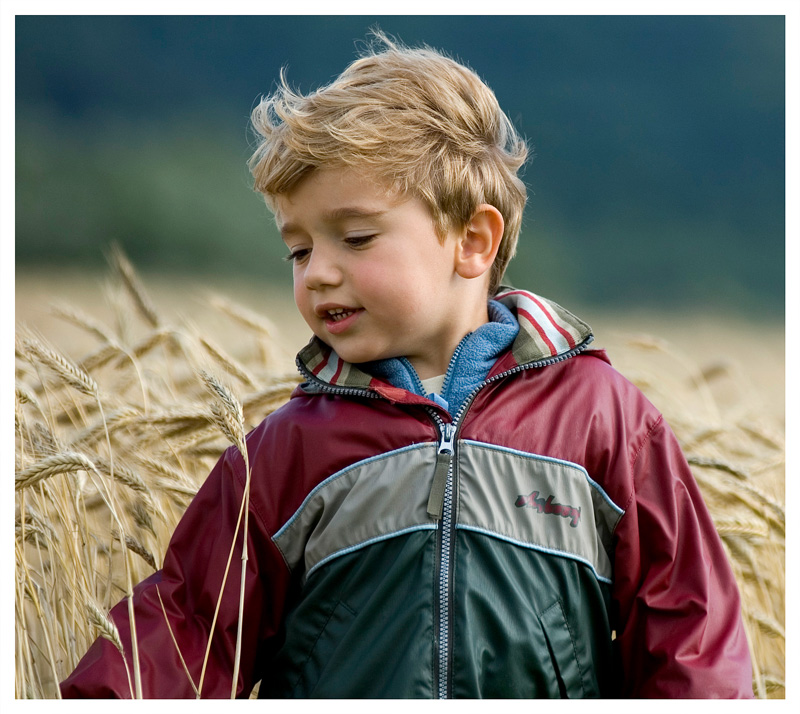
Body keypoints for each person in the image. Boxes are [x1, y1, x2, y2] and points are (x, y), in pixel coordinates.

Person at [61, 33, 754, 699]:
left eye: (355, 237)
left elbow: (692, 637)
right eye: (298, 250)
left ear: (473, 241)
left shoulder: (602, 419)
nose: (319, 273)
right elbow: (187, 629)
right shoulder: (287, 451)